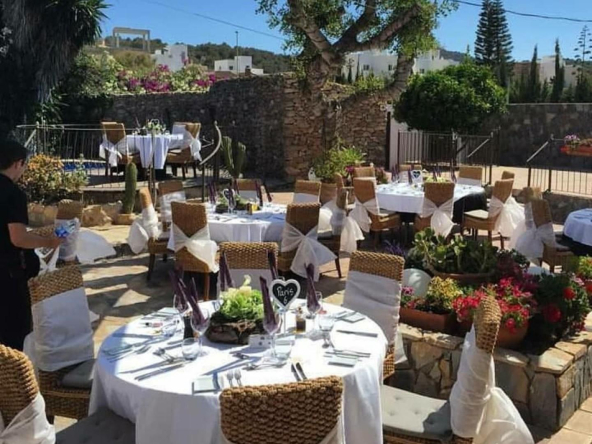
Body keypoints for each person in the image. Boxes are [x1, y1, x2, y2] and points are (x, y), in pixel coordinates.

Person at [0, 140, 62, 350]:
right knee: (13, 335)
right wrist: (49, 242)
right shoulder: (12, 194)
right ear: (18, 163)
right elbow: (18, 238)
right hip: (8, 275)